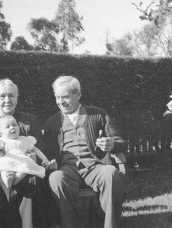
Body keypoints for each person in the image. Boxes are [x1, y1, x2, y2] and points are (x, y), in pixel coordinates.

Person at [44, 75, 127, 228]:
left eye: (65, 97)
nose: (61, 102)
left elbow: (121, 141)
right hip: (67, 169)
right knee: (55, 178)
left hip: (95, 166)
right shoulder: (52, 122)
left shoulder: (98, 114)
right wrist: (48, 163)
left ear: (78, 94)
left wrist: (112, 144)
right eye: (57, 97)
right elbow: (46, 153)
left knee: (111, 174)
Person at [0, 78, 52, 228]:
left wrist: (35, 159)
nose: (7, 100)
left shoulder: (29, 121)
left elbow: (42, 150)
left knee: (33, 182)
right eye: (2, 96)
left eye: (11, 96)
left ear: (17, 98)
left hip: (25, 171)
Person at [0, 114, 56, 188]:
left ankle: (16, 179)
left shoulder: (25, 139)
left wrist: (45, 159)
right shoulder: (1, 141)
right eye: (7, 127)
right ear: (1, 133)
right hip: (6, 162)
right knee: (3, 170)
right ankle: (7, 179)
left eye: (14, 125)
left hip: (23, 161)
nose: (12, 127)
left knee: (25, 170)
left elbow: (35, 150)